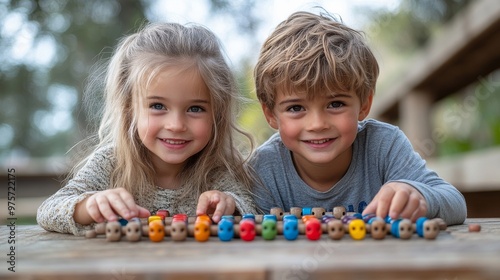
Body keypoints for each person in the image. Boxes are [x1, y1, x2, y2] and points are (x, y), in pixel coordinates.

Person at [37, 22, 257, 235]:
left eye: (195, 108)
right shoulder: (111, 163)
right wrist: (89, 205)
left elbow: (249, 209)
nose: (176, 125)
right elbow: (49, 210)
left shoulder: (215, 171)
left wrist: (230, 205)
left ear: (216, 115)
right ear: (129, 108)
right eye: (158, 106)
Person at [251, 10, 467, 225]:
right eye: (296, 108)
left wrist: (419, 197)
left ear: (364, 104)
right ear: (271, 114)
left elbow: (456, 203)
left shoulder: (384, 145)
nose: (317, 124)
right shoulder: (264, 169)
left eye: (335, 104)